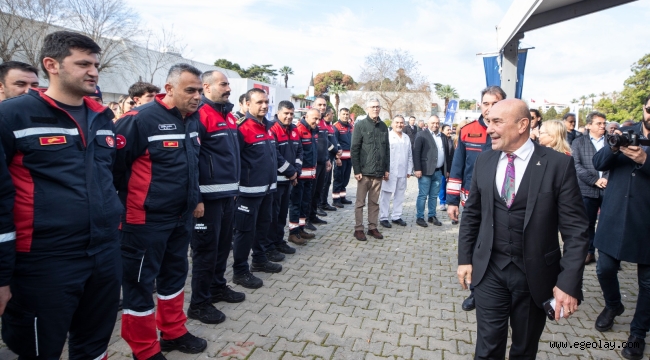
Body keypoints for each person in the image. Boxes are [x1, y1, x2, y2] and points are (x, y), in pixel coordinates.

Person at [0, 30, 122, 360]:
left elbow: (111, 178)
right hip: (44, 262)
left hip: (104, 254)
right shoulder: (12, 116)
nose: (93, 71)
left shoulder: (103, 119)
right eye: (83, 63)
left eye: (96, 64)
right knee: (40, 349)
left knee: (94, 344)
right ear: (51, 65)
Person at [457, 99, 589, 359]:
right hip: (490, 271)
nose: (489, 128)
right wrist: (465, 259)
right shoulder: (484, 161)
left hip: (535, 276)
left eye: (497, 122)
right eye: (488, 121)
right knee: (487, 349)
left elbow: (576, 230)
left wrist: (568, 282)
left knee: (524, 350)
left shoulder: (557, 165)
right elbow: (472, 214)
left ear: (522, 125)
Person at [114, 63, 206, 359]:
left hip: (180, 218)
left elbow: (192, 168)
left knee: (175, 276)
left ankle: (173, 331)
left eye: (200, 91)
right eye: (190, 90)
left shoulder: (191, 120)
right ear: (169, 89)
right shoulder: (139, 120)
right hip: (144, 222)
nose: (197, 96)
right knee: (140, 285)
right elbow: (115, 170)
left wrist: (195, 200)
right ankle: (143, 348)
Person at [592, 96, 650, 360]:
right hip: (615, 215)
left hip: (646, 220)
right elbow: (599, 164)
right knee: (604, 269)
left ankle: (638, 334)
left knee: (648, 284)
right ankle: (613, 305)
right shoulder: (625, 132)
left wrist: (645, 160)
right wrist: (614, 147)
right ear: (644, 109)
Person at [189, 70, 245, 325]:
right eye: (223, 84)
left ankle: (217, 287)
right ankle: (199, 304)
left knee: (223, 247)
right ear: (207, 87)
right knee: (205, 251)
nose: (228, 88)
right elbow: (191, 160)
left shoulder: (229, 117)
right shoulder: (200, 115)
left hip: (227, 196)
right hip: (207, 201)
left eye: (228, 84)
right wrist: (196, 197)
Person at [447, 85, 505, 312]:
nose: (490, 108)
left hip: (502, 201)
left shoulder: (509, 131)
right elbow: (457, 167)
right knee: (474, 245)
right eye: (486, 103)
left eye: (495, 103)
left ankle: (498, 287)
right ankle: (475, 290)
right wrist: (452, 201)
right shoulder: (467, 130)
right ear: (480, 105)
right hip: (472, 201)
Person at [231, 88, 281, 289]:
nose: (264, 105)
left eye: (266, 102)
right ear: (247, 104)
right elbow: (234, 162)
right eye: (259, 102)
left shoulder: (268, 127)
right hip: (248, 192)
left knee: (263, 226)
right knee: (245, 231)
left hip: (267, 190)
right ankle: (240, 271)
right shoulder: (241, 128)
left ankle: (259, 259)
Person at [571, 112, 608, 266]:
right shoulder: (578, 142)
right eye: (599, 123)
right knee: (588, 223)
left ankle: (609, 257)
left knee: (609, 223)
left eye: (604, 123)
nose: (602, 126)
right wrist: (595, 180)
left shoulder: (611, 142)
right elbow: (576, 165)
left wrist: (606, 179)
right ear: (589, 125)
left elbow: (617, 164)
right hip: (587, 189)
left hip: (609, 188)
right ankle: (589, 252)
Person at [350, 98, 389, 241]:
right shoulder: (360, 125)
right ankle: (358, 229)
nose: (375, 109)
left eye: (378, 107)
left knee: (375, 202)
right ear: (367, 108)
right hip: (364, 173)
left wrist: (386, 168)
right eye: (372, 107)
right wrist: (357, 170)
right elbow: (354, 149)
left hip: (378, 172)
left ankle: (373, 227)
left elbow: (387, 149)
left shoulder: (384, 127)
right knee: (360, 202)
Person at [267, 100, 301, 256]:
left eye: (291, 114)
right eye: (286, 113)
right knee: (272, 217)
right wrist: (291, 172)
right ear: (278, 113)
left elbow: (300, 152)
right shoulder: (272, 129)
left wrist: (296, 172)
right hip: (276, 182)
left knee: (282, 215)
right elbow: (275, 155)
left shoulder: (294, 130)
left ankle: (279, 242)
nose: (289, 117)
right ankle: (270, 246)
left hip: (289, 180)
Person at [288, 108, 319, 245]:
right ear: (306, 117)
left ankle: (301, 229)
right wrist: (294, 174)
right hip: (299, 177)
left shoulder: (313, 130)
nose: (317, 122)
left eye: (319, 119)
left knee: (304, 204)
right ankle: (293, 233)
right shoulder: (298, 130)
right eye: (314, 119)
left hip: (309, 177)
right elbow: (296, 153)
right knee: (295, 204)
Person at [413, 115, 448, 227]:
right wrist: (417, 169)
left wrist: (447, 170)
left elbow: (447, 154)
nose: (435, 125)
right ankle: (420, 217)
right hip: (424, 171)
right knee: (423, 195)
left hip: (438, 172)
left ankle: (432, 216)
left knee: (434, 196)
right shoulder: (421, 135)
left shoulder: (443, 136)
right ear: (428, 123)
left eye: (437, 123)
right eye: (433, 123)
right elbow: (416, 153)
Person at [379, 116, 413, 228]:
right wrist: (384, 170)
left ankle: (396, 216)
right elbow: (382, 155)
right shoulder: (387, 136)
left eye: (401, 123)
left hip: (402, 171)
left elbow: (409, 155)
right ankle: (383, 217)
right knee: (386, 195)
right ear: (392, 124)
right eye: (397, 122)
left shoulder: (406, 137)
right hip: (390, 171)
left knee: (400, 195)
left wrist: (409, 170)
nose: (399, 125)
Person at [310, 96, 335, 228]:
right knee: (311, 192)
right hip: (312, 164)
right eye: (320, 105)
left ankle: (313, 215)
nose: (322, 107)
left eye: (324, 105)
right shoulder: (310, 121)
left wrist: (327, 159)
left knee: (318, 190)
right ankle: (306, 219)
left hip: (322, 161)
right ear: (314, 105)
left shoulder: (323, 123)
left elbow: (324, 143)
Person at [319, 107, 340, 211]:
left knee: (327, 182)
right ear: (327, 114)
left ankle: (324, 202)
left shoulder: (331, 126)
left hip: (331, 158)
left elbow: (335, 140)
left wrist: (338, 149)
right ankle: (319, 205)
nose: (333, 115)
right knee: (322, 183)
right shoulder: (323, 126)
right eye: (332, 113)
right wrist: (334, 150)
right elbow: (326, 142)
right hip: (325, 157)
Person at [333, 107, 354, 207]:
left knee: (345, 179)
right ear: (339, 115)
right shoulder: (336, 127)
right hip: (340, 159)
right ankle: (336, 200)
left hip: (349, 158)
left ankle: (342, 197)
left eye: (347, 114)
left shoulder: (350, 126)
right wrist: (337, 158)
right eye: (343, 114)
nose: (345, 116)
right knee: (338, 178)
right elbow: (335, 142)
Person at [438, 124, 454, 211]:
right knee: (442, 185)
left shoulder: (452, 141)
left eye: (450, 130)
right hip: (443, 167)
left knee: (451, 185)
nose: (449, 131)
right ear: (442, 131)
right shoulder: (440, 140)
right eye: (448, 130)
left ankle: (450, 202)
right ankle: (442, 202)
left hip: (451, 166)